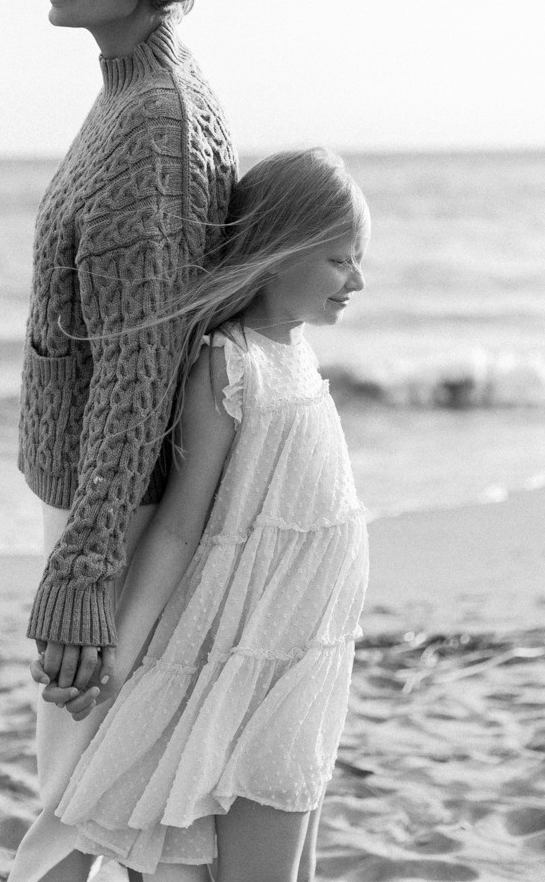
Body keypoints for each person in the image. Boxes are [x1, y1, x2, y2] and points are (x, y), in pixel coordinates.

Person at [49, 147, 371, 882]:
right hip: (247, 653)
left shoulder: (296, 352)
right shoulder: (232, 366)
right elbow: (182, 526)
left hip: (307, 651)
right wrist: (121, 652)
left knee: (294, 858)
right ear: (277, 251)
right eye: (339, 260)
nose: (357, 280)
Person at [10, 0, 237, 882]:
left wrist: (85, 569)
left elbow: (137, 366)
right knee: (111, 805)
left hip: (119, 509)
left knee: (82, 806)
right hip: (108, 499)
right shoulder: (129, 90)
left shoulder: (150, 118)